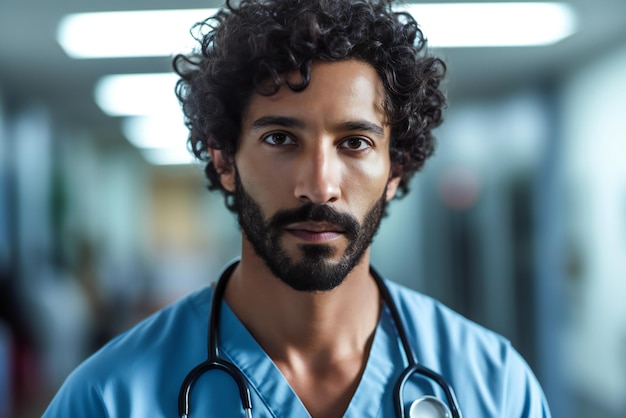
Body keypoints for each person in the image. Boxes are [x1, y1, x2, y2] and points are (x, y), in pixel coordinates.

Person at [43, 0, 551, 417]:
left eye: (354, 142)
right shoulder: (108, 398)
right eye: (281, 138)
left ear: (395, 170)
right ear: (224, 159)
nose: (319, 186)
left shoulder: (495, 387)